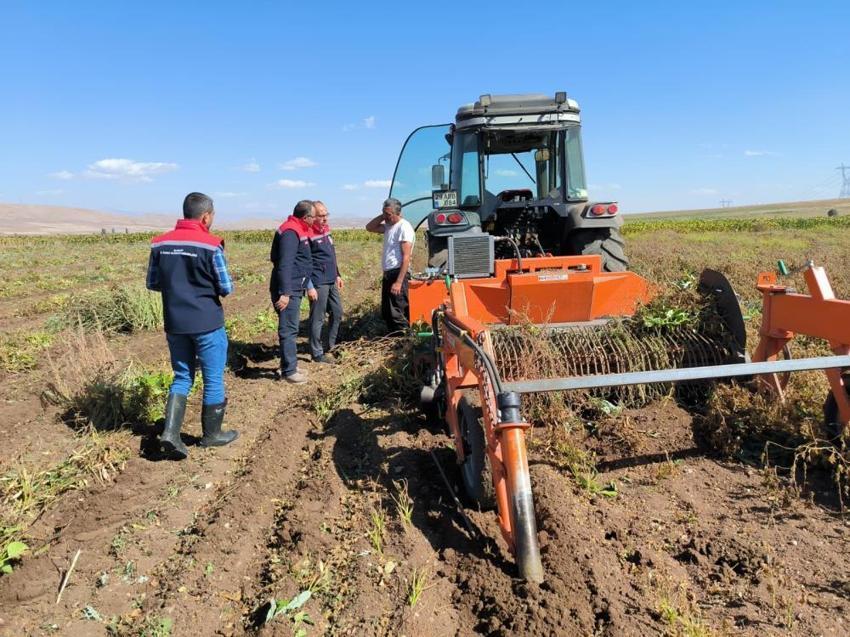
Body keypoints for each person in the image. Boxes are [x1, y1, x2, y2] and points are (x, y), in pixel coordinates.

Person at [146, 192, 238, 460]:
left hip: (175, 322)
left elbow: (152, 283)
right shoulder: (211, 245)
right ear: (206, 215)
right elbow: (226, 287)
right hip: (207, 322)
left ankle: (171, 434)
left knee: (182, 376)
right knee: (212, 378)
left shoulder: (159, 244)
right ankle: (212, 435)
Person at [270, 200, 314, 383]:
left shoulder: (297, 228)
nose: (315, 220)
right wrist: (285, 293)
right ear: (306, 217)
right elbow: (284, 264)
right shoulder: (290, 232)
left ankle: (289, 365)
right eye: (313, 216)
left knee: (292, 327)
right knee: (288, 329)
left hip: (295, 285)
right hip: (289, 288)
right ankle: (289, 372)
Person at [365, 197, 415, 333]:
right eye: (384, 213)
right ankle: (394, 339)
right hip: (389, 273)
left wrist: (399, 282)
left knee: (398, 312)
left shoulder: (404, 227)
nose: (385, 218)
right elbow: (369, 227)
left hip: (399, 274)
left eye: (388, 214)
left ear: (398, 213)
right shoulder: (389, 226)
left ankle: (404, 341)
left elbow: (406, 257)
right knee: (387, 311)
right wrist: (384, 215)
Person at [306, 201, 343, 363]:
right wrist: (309, 286)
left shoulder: (326, 231)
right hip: (318, 281)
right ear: (313, 217)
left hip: (331, 278)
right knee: (317, 317)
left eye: (326, 214)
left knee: (337, 312)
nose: (325, 218)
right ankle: (316, 352)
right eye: (321, 216)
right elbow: (304, 262)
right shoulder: (308, 235)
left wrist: (337, 274)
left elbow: (331, 255)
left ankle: (331, 345)